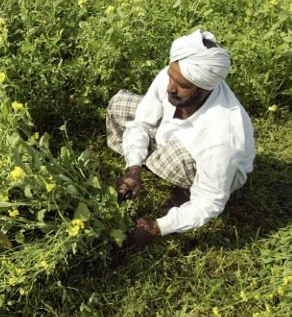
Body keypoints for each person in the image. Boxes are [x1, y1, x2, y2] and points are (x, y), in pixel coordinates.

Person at [106, 29, 255, 249]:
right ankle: (148, 160)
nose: (170, 88)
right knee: (119, 105)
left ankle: (185, 190)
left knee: (175, 159)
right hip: (170, 136)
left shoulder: (222, 134)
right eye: (171, 76)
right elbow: (142, 123)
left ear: (204, 89)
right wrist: (133, 168)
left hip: (213, 166)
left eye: (182, 85)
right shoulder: (176, 75)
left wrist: (156, 227)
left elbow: (210, 202)